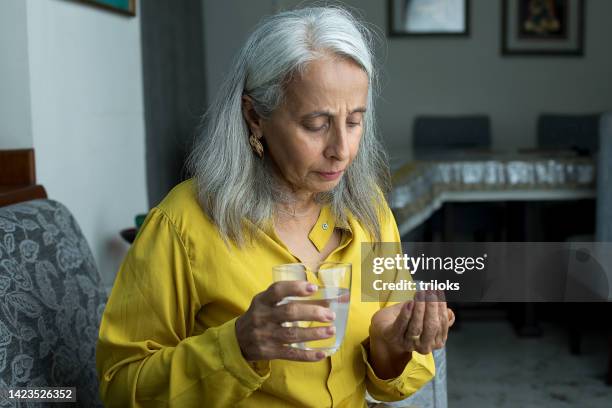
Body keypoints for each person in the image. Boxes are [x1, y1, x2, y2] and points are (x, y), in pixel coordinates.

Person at [96, 6, 454, 407]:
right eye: (316, 124)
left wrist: (392, 348)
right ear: (254, 116)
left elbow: (391, 381)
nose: (341, 150)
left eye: (354, 121)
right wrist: (236, 347)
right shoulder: (182, 223)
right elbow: (119, 387)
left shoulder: (369, 212)